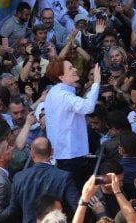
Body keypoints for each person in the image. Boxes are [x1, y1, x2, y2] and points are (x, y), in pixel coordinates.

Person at [44, 59, 101, 187]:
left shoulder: (54, 92)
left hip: (62, 154)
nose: (75, 69)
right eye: (70, 68)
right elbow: (88, 107)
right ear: (61, 76)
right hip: (69, 156)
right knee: (73, 196)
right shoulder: (64, 95)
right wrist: (96, 83)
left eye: (73, 66)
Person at [1, 137, 79, 223]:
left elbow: (13, 210)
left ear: (32, 154)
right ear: (52, 152)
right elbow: (77, 207)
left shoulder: (19, 177)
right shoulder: (64, 177)